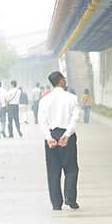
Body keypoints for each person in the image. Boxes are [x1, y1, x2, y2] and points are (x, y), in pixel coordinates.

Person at [37, 71, 80, 210]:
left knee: (53, 170)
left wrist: (48, 138)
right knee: (71, 168)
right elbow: (75, 118)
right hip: (67, 134)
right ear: (61, 80)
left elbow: (42, 121)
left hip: (52, 134)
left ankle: (56, 203)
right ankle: (70, 198)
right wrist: (67, 135)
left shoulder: (44, 100)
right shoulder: (72, 98)